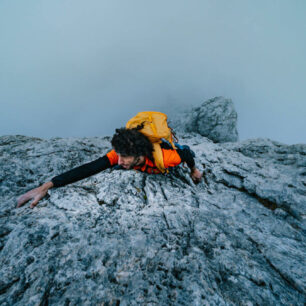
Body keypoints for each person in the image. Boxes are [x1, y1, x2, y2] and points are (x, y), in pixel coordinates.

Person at [17, 127, 203, 208]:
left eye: (125, 156)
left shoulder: (166, 158)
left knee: (184, 151)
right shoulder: (118, 156)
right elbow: (89, 168)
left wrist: (193, 170)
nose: (119, 160)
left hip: (169, 154)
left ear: (140, 154)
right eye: (118, 154)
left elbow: (186, 155)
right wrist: (46, 186)